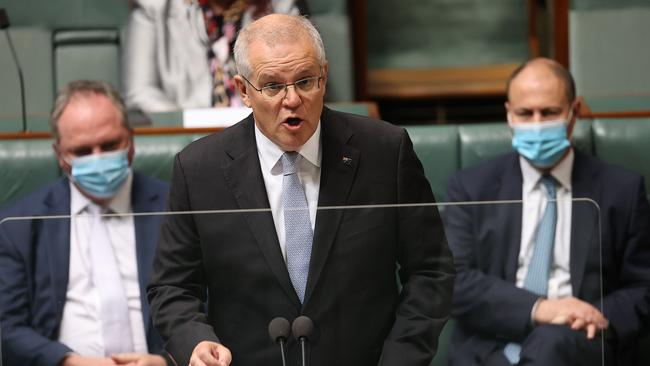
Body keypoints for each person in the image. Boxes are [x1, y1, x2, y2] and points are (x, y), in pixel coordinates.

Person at [147, 14, 455, 366]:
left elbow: (431, 272)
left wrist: (400, 360)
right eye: (273, 86)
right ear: (244, 90)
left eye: (305, 81)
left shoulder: (385, 151)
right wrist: (195, 342)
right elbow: (172, 287)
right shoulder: (199, 169)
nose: (292, 99)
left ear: (324, 77)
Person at [444, 58, 650, 366]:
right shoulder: (471, 188)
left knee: (551, 343)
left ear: (574, 112)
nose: (537, 123)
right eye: (525, 114)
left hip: (580, 341)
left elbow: (643, 286)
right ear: (509, 115)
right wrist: (540, 308)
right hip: (490, 344)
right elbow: (452, 280)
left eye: (550, 112)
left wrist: (591, 317)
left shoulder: (622, 190)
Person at [0, 81, 170, 366]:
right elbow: (7, 326)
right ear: (60, 155)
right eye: (82, 151)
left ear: (131, 140)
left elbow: (210, 307)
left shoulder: (175, 207)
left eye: (110, 144)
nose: (99, 158)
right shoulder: (18, 224)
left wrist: (166, 361)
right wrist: (67, 361)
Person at [123, 0, 308, 113]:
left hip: (261, 128)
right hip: (190, 137)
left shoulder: (278, 4)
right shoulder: (154, 6)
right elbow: (140, 92)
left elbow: (300, 73)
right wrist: (194, 123)